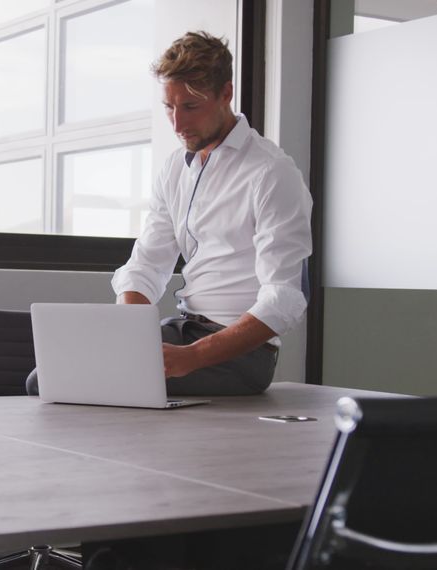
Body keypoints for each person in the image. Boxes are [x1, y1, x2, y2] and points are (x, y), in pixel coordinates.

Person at [111, 30, 312, 396]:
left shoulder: (271, 172)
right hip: (184, 329)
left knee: (109, 383)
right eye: (169, 107)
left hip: (242, 354)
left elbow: (286, 296)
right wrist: (130, 336)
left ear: (226, 94)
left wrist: (193, 357)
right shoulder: (175, 169)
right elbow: (146, 266)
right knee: (46, 378)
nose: (177, 124)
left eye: (190, 107)